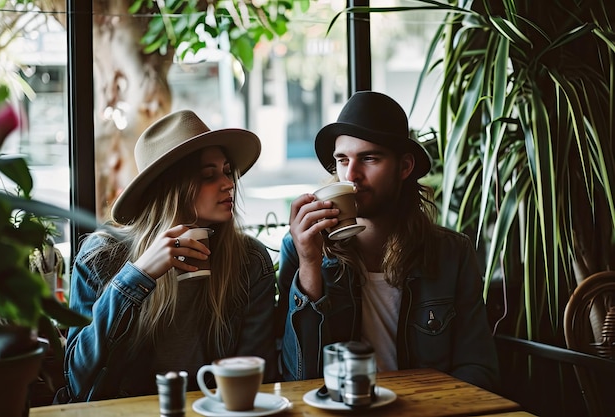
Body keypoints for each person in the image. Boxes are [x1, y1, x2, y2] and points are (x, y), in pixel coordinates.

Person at [276, 91, 500, 391]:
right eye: (342, 160)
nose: (351, 175)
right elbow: (297, 378)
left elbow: (478, 368)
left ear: (404, 167)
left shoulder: (451, 254)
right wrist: (309, 264)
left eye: (369, 158)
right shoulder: (303, 249)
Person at [62, 110, 278, 402]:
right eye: (208, 175)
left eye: (227, 171)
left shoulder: (249, 260)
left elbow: (258, 377)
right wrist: (137, 277)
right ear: (170, 189)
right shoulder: (103, 256)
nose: (228, 184)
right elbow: (79, 382)